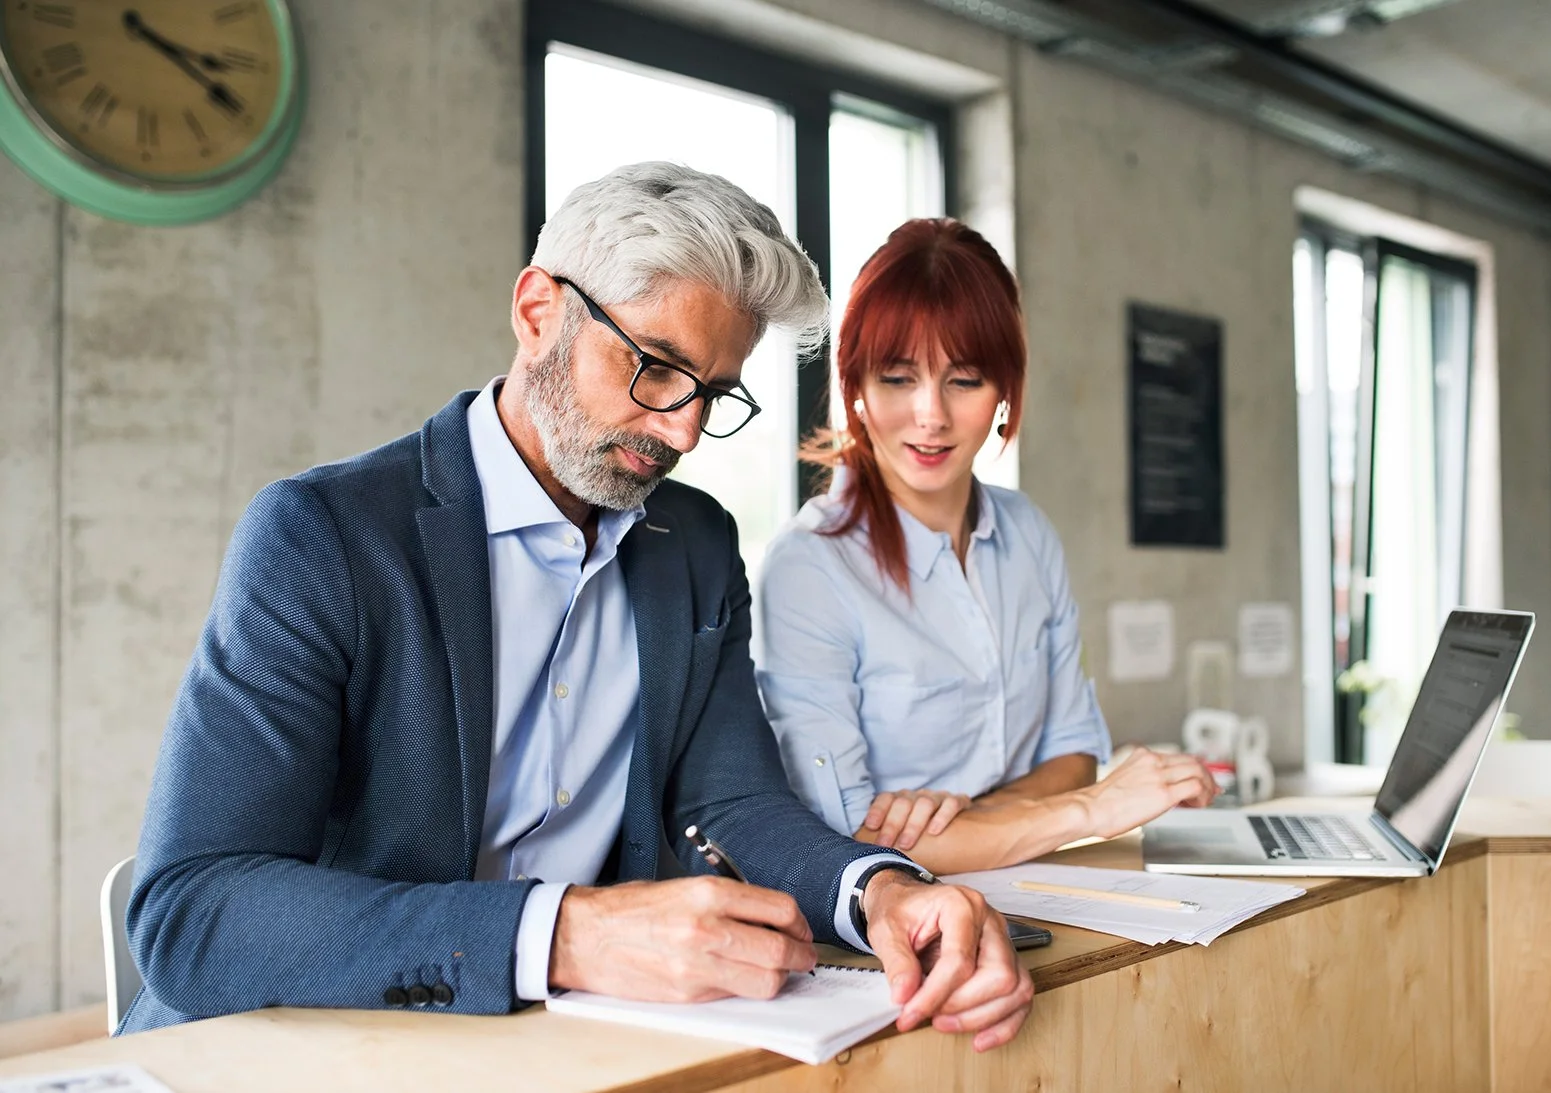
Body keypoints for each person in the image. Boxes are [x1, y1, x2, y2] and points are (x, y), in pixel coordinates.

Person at [123, 165, 1032, 1051]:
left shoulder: (696, 541)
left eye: (712, 395)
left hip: (565, 1047)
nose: (679, 429)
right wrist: (565, 933)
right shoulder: (323, 537)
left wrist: (881, 889)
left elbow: (734, 797)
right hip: (310, 1047)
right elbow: (192, 907)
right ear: (536, 312)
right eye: (655, 366)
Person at [757, 218, 1217, 876]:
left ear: (1004, 389)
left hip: (1043, 891)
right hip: (895, 927)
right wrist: (1090, 810)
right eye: (896, 377)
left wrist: (965, 823)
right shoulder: (809, 566)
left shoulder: (1027, 533)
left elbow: (1072, 752)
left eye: (964, 380)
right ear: (854, 385)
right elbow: (847, 834)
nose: (930, 415)